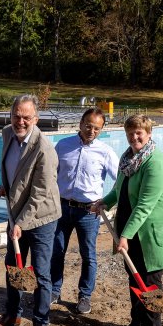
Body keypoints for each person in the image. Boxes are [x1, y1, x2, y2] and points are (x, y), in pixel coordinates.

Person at [91, 114, 163, 326]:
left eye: (139, 133)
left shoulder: (156, 163)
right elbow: (119, 189)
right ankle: (136, 323)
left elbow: (145, 204)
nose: (134, 137)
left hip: (151, 233)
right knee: (133, 277)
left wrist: (126, 235)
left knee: (149, 281)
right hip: (131, 229)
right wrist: (104, 202)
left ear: (149, 134)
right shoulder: (129, 159)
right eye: (130, 133)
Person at [0, 95, 61, 326]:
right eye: (16, 115)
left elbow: (40, 192)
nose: (20, 121)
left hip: (40, 219)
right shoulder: (7, 133)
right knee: (13, 268)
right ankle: (12, 315)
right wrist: (6, 188)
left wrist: (21, 223)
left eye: (26, 117)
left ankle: (40, 324)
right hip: (15, 214)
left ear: (36, 119)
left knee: (40, 273)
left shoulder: (44, 149)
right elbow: (15, 172)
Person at [50, 108, 119, 314]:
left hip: (88, 212)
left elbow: (121, 180)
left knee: (88, 255)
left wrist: (107, 201)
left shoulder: (105, 152)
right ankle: (54, 290)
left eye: (97, 128)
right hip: (62, 208)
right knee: (56, 252)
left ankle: (84, 296)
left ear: (102, 129)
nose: (91, 131)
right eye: (88, 126)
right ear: (80, 123)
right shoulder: (63, 146)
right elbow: (50, 173)